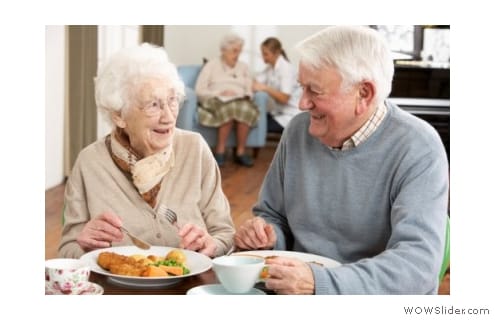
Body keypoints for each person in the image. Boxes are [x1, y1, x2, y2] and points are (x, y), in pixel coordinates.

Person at [234, 26, 449, 294]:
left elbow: (417, 267)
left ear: (364, 94)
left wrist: (320, 284)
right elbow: (273, 215)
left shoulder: (419, 147)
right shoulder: (297, 131)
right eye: (302, 88)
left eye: (314, 90)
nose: (302, 103)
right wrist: (266, 236)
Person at [58, 43, 235, 259]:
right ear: (119, 116)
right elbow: (67, 251)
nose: (168, 117)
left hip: (189, 287)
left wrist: (212, 245)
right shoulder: (90, 163)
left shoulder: (194, 149)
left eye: (172, 100)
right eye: (153, 105)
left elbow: (225, 234)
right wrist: (85, 247)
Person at [195, 33, 259, 167]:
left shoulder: (244, 67)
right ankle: (220, 151)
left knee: (244, 108)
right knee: (230, 108)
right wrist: (219, 92)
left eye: (239, 51)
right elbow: (200, 89)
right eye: (234, 51)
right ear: (223, 50)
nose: (238, 54)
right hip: (216, 99)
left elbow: (249, 89)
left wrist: (244, 94)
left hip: (239, 99)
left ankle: (240, 152)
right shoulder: (211, 65)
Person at [252, 37, 302, 133]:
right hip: (279, 113)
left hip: (291, 115)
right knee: (252, 119)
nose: (263, 57)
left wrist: (265, 88)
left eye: (266, 54)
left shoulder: (286, 69)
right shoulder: (270, 68)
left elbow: (284, 98)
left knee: (256, 125)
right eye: (262, 54)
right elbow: (255, 82)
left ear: (276, 53)